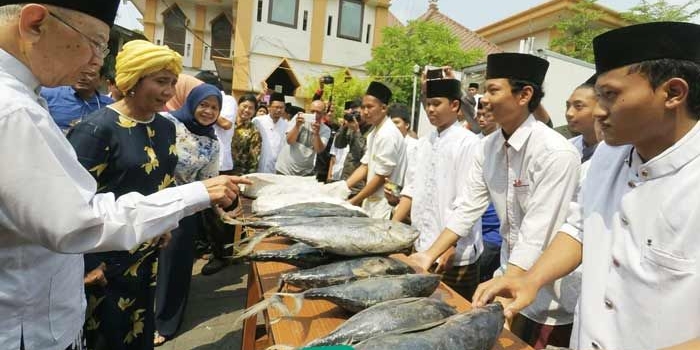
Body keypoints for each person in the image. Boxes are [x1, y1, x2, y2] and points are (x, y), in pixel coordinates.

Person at [0, 3, 246, 350]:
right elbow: (79, 220)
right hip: (41, 314)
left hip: (133, 255)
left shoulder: (164, 127)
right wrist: (195, 194)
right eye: (97, 43)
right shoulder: (16, 111)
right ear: (35, 24)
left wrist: (162, 223)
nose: (97, 61)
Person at [473, 22, 700, 350]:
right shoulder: (609, 154)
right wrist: (530, 279)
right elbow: (580, 226)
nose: (598, 111)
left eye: (610, 96)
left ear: (673, 93)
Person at [409, 53, 581, 349]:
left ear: (524, 95)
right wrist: (429, 254)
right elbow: (467, 206)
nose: (483, 99)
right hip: (508, 275)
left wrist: (508, 284)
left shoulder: (555, 152)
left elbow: (538, 230)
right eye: (484, 90)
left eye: (492, 90)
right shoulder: (487, 147)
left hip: (550, 292)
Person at [66, 40, 191, 350]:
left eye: (173, 83)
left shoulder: (166, 128)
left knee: (139, 335)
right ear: (132, 80)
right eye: (161, 81)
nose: (169, 91)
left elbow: (161, 182)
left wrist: (163, 224)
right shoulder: (95, 130)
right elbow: (71, 204)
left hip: (146, 258)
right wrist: (87, 266)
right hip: (104, 265)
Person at [391, 78, 483, 300]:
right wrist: (390, 229)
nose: (430, 109)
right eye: (427, 104)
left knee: (451, 316)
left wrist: (451, 246)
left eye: (436, 103)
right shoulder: (424, 142)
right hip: (421, 247)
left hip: (453, 256)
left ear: (454, 105)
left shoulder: (469, 143)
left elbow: (469, 201)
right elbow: (411, 190)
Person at [155, 83, 223, 345]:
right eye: (203, 104)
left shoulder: (212, 143)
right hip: (149, 200)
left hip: (184, 210)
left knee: (175, 268)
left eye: (214, 107)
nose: (207, 111)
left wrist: (222, 208)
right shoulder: (165, 123)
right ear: (192, 102)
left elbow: (208, 181)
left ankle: (165, 322)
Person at [345, 82, 407, 219]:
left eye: (370, 107)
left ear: (384, 108)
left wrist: (353, 201)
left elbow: (380, 177)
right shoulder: (374, 132)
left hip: (385, 204)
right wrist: (342, 187)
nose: (365, 112)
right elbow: (365, 166)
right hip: (372, 202)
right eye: (363, 107)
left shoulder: (388, 134)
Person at [41, 63, 114, 133]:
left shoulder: (110, 106)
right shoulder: (48, 95)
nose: (83, 78)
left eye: (90, 74)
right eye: (79, 73)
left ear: (101, 79)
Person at [475, 101, 502, 282]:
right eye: (479, 114)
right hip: (473, 224)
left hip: (492, 232)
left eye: (487, 115)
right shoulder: (476, 143)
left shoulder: (500, 146)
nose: (482, 119)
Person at [195, 70, 238, 175]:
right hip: (202, 157)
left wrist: (208, 111)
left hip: (220, 162)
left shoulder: (228, 100)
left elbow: (226, 124)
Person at [275, 99, 331, 176]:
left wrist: (316, 134)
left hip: (305, 172)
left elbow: (319, 150)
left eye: (318, 112)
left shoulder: (325, 130)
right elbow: (289, 141)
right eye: (312, 111)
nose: (314, 114)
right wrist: (297, 126)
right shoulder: (298, 118)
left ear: (324, 114)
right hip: (285, 169)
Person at [334, 99, 369, 195]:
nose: (355, 117)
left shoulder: (371, 130)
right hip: (346, 180)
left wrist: (357, 131)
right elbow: (339, 145)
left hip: (360, 185)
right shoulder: (351, 127)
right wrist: (344, 127)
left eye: (357, 114)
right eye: (353, 113)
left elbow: (361, 155)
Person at [565, 79, 599, 163]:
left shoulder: (620, 152)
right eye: (568, 106)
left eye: (578, 106)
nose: (569, 113)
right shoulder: (567, 147)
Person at [253, 91, 288, 173]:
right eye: (276, 107)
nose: (279, 110)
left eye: (281, 107)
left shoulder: (286, 125)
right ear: (269, 107)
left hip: (276, 168)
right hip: (258, 165)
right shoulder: (258, 121)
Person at [231, 94, 262, 176]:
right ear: (238, 106)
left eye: (251, 108)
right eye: (244, 106)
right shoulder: (227, 123)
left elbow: (253, 160)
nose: (247, 110)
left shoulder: (254, 131)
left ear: (254, 111)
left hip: (237, 175)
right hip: (218, 170)